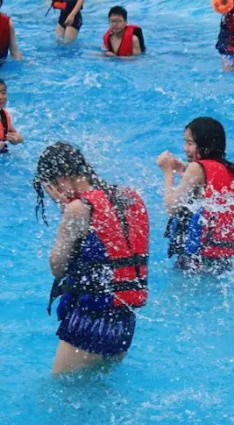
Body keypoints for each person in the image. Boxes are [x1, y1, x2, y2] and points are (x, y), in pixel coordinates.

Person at [33, 142, 149, 374]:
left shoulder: (78, 208)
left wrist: (65, 210)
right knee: (100, 386)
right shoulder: (130, 196)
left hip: (90, 319)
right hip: (124, 319)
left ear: (62, 179)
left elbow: (57, 267)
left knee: (62, 389)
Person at [158, 117, 234, 273]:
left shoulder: (196, 168)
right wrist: (182, 168)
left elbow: (172, 207)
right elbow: (208, 181)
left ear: (206, 146)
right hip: (222, 259)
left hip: (192, 262)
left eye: (190, 143)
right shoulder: (233, 169)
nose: (185, 149)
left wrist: (167, 171)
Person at [0, 78, 23, 154]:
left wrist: (16, 139)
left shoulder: (4, 115)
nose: (0, 97)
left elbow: (20, 138)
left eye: (3, 93)